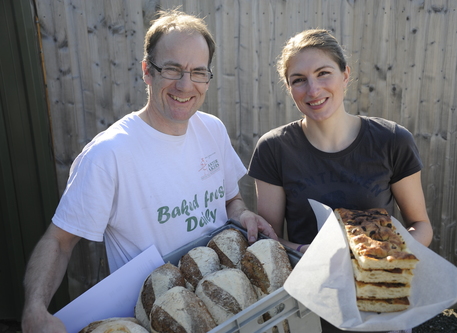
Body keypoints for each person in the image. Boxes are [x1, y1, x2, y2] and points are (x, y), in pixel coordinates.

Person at [21, 9, 277, 333]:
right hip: (157, 317)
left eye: (198, 72)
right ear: (147, 71)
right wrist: (34, 310)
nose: (186, 85)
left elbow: (231, 201)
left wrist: (243, 215)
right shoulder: (109, 154)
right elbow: (59, 242)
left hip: (225, 304)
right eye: (172, 69)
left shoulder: (212, 129)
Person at [248, 29, 433, 333]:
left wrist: (386, 254)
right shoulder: (273, 149)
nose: (313, 89)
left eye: (324, 73)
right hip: (310, 309)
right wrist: (300, 251)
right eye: (299, 80)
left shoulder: (392, 141)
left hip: (382, 303)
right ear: (289, 87)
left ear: (345, 74)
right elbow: (270, 241)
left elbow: (421, 224)